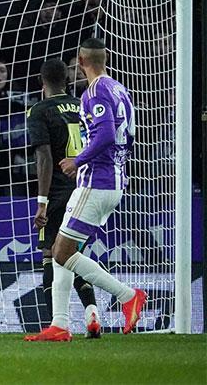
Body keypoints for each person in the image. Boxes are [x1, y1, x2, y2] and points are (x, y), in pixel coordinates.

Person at [26, 37, 145, 342]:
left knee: (62, 252)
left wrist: (79, 160)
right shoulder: (120, 89)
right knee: (60, 251)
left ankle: (127, 295)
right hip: (113, 178)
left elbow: (105, 133)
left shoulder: (94, 91)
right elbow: (124, 134)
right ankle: (60, 324)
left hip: (96, 182)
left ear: (80, 62)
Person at [26, 58, 102, 337]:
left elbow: (44, 157)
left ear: (40, 80)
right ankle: (91, 311)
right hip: (86, 188)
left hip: (58, 192)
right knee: (74, 254)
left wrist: (42, 202)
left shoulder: (39, 110)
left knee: (51, 255)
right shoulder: (83, 106)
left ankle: (55, 326)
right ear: (68, 80)